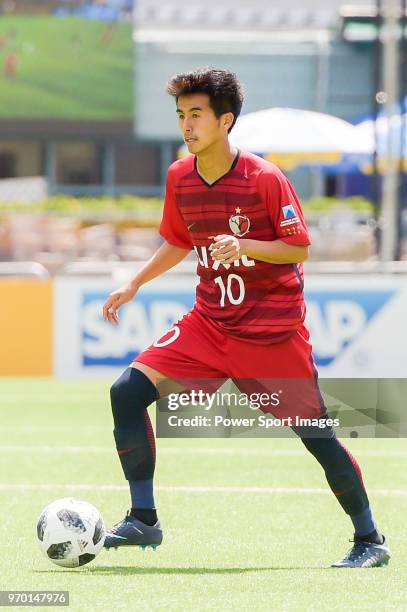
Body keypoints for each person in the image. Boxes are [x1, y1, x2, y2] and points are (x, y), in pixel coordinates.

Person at [102, 66, 390, 568]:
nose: (187, 126)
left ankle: (370, 539)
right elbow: (178, 239)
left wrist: (246, 246)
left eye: (196, 115)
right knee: (127, 392)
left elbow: (298, 248)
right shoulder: (179, 177)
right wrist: (135, 282)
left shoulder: (265, 178)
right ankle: (143, 518)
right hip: (209, 323)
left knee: (317, 437)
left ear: (226, 120)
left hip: (270, 334)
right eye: (181, 116)